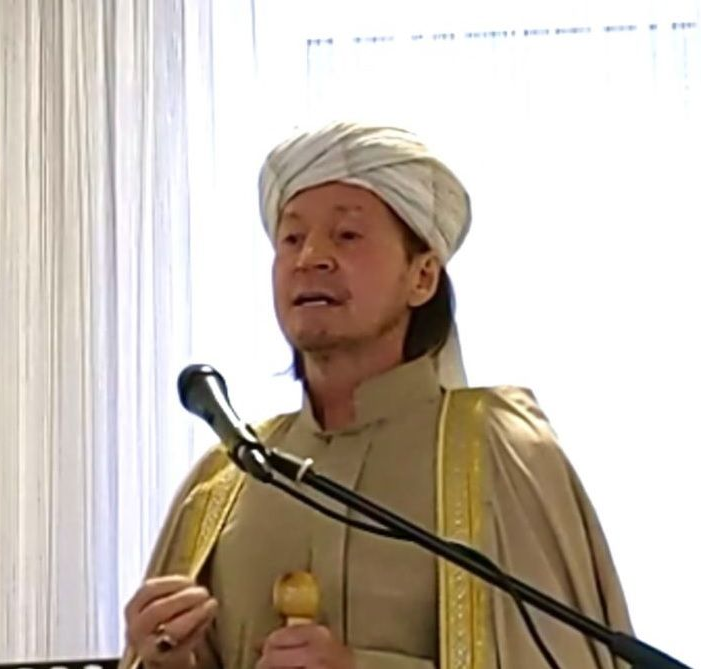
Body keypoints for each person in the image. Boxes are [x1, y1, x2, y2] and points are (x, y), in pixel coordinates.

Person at [119, 122, 632, 669]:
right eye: (291, 239)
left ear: (423, 276)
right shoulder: (227, 478)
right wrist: (162, 659)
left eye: (347, 235)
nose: (310, 257)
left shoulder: (501, 452)